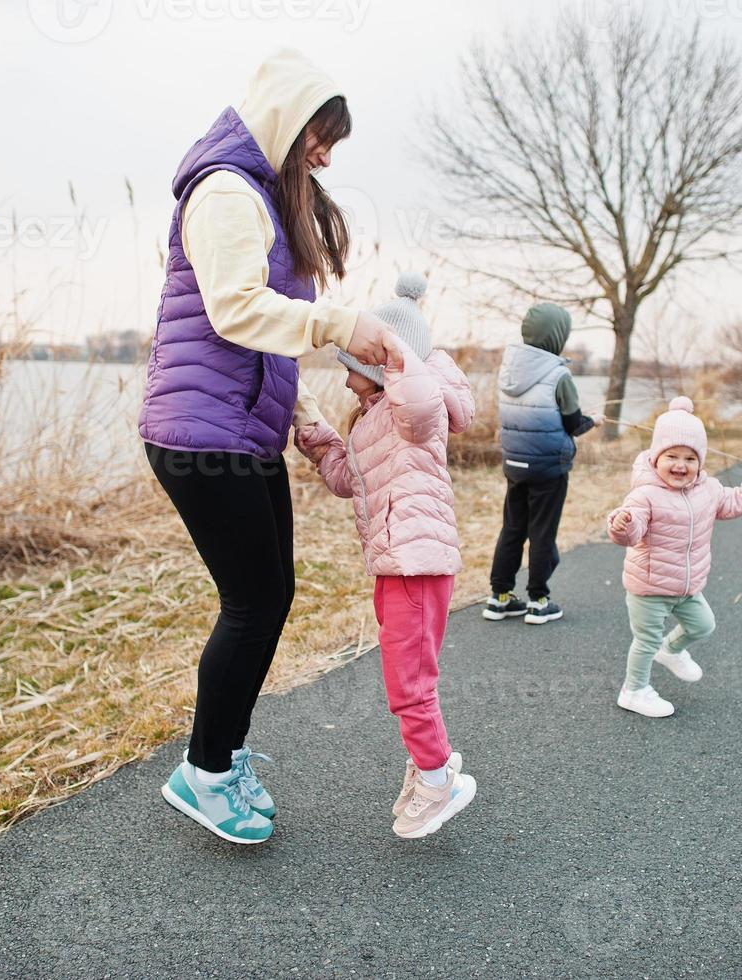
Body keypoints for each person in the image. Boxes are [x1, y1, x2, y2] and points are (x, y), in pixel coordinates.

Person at [139, 50, 395, 845]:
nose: (324, 154)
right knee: (252, 603)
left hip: (240, 431)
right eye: (322, 135)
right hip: (199, 434)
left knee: (268, 596)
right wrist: (337, 321)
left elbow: (266, 350)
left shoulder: (259, 196)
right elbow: (236, 314)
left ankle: (217, 756)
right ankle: (205, 775)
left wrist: (309, 425)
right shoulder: (222, 191)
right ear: (287, 118)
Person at [294, 272, 479, 839]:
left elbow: (419, 398)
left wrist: (398, 353)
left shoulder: (414, 410)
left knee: (408, 683)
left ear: (380, 365)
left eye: (353, 361)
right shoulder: (376, 419)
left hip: (415, 563)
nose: (345, 376)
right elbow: (348, 479)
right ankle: (436, 763)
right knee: (409, 675)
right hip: (395, 562)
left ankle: (437, 777)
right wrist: (314, 430)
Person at [606, 398, 742, 718]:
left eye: (690, 458)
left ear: (700, 462)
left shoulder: (709, 489)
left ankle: (671, 649)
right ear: (655, 457)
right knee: (644, 641)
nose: (680, 465)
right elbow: (631, 530)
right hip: (648, 587)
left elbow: (737, 501)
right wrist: (624, 525)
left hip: (688, 586)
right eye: (671, 456)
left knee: (704, 625)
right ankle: (633, 691)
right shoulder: (645, 494)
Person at [482, 303, 603, 625]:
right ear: (557, 336)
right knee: (542, 533)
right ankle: (538, 600)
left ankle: (500, 598)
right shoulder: (558, 374)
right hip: (548, 468)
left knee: (512, 528)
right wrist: (594, 421)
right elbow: (574, 424)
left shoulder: (509, 369)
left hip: (514, 463)